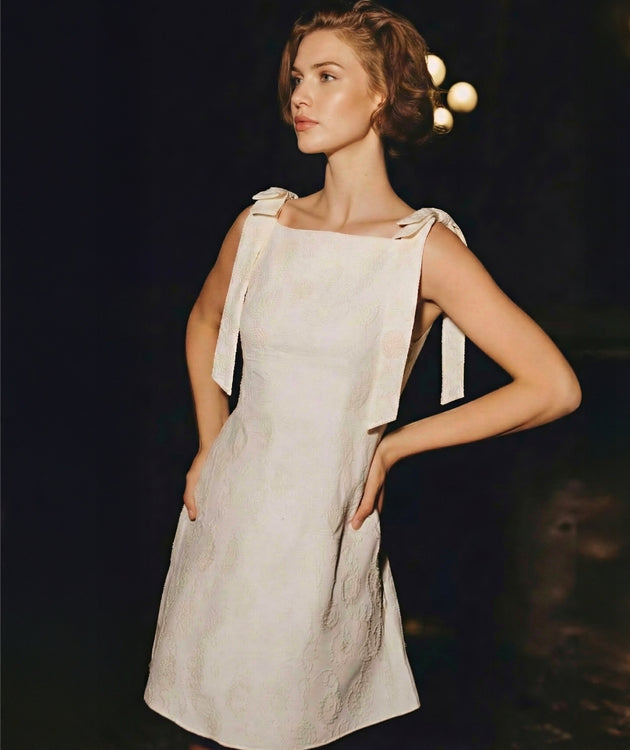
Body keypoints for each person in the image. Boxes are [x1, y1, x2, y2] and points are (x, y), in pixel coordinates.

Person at [143, 2, 582, 748]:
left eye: (326, 76)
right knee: (205, 726)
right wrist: (210, 444)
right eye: (296, 78)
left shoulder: (423, 248)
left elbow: (552, 386)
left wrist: (395, 447)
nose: (300, 96)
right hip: (228, 517)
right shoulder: (263, 226)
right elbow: (205, 322)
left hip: (321, 531)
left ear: (380, 94)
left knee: (285, 727)